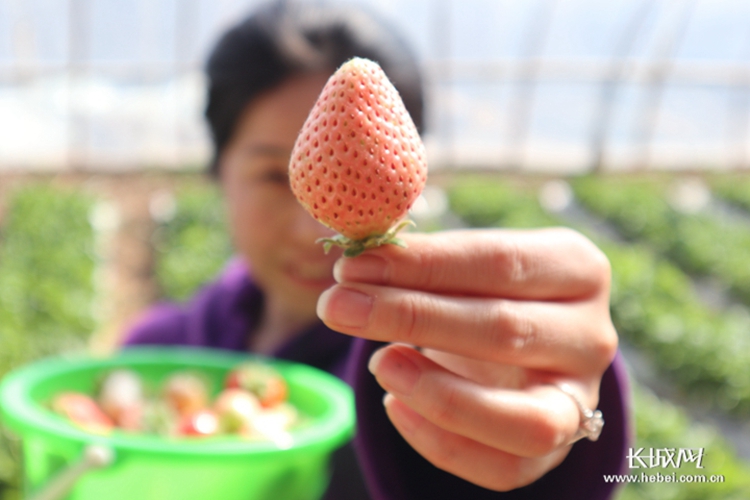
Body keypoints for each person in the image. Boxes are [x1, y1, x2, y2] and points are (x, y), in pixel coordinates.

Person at [123, 1, 630, 499]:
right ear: (218, 171)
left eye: (366, 167)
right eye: (275, 176)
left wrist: (553, 414)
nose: (309, 231)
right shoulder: (156, 351)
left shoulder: (412, 367)